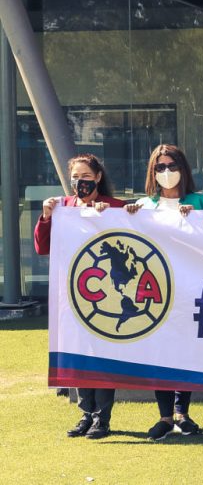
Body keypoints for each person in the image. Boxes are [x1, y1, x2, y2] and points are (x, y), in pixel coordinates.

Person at [123, 144, 203, 441]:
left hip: (190, 287)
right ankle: (164, 416)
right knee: (160, 352)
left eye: (171, 166)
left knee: (186, 351)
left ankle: (182, 413)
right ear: (152, 172)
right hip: (155, 290)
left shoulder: (201, 201)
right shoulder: (143, 206)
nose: (166, 172)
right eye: (160, 167)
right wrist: (129, 216)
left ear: (183, 169)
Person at [34, 153, 126, 440]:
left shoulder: (114, 206)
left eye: (86, 176)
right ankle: (86, 414)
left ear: (98, 177)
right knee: (78, 354)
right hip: (73, 295)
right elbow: (42, 247)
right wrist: (46, 217)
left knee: (103, 355)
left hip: (107, 296)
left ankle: (102, 418)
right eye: (76, 177)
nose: (80, 182)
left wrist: (112, 215)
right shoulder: (63, 207)